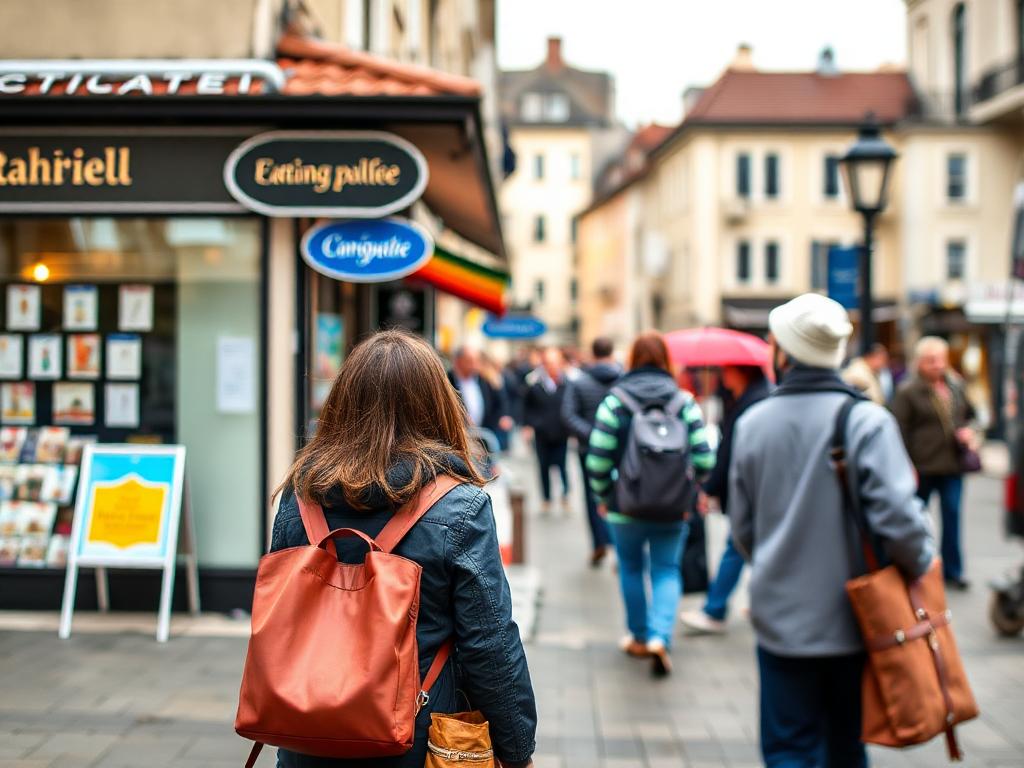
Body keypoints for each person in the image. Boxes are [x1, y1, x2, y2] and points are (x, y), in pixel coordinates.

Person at [270, 330, 537, 768]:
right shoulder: (459, 507)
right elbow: (488, 641)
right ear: (437, 405)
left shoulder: (301, 498)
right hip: (417, 738)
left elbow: (279, 618)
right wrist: (516, 747)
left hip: (307, 734)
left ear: (342, 405)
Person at [729, 294, 934, 768]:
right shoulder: (868, 422)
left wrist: (774, 561)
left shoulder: (752, 424)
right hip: (855, 619)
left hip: (779, 618)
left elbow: (742, 529)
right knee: (846, 744)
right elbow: (902, 522)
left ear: (786, 351)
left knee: (788, 749)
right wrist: (922, 563)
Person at [586, 333, 714, 676]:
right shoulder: (684, 402)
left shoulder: (616, 401)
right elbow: (704, 458)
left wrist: (605, 497)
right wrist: (689, 490)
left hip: (624, 507)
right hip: (673, 507)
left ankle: (639, 636)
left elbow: (597, 460)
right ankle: (660, 636)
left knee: (630, 567)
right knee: (666, 569)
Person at [679, 364, 770, 635]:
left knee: (738, 545)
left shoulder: (753, 402)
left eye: (728, 370)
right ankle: (752, 603)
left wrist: (711, 487)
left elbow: (731, 450)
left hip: (754, 488)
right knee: (750, 546)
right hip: (752, 487)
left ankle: (715, 609)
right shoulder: (741, 398)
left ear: (743, 371)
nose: (723, 375)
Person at [891, 336, 977, 590]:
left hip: (952, 465)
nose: (938, 365)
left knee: (952, 517)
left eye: (941, 359)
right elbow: (899, 430)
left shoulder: (955, 386)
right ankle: (915, 567)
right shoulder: (908, 391)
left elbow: (971, 417)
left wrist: (969, 433)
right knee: (916, 521)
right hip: (922, 467)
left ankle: (953, 570)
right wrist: (905, 465)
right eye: (931, 360)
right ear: (920, 362)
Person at [561, 337, 621, 566]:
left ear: (593, 354)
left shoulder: (580, 383)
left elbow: (568, 416)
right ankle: (617, 544)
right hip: (618, 449)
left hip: (589, 450)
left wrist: (592, 434)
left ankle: (598, 543)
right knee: (619, 495)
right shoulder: (623, 382)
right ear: (611, 352)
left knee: (592, 496)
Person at [523, 347, 571, 514]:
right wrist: (529, 425)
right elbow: (527, 406)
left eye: (555, 362)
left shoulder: (567, 383)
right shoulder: (535, 384)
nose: (552, 366)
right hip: (542, 433)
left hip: (561, 432)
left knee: (562, 466)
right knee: (543, 466)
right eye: (548, 363)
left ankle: (565, 496)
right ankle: (546, 499)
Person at [448, 345, 514, 439]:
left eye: (476, 360)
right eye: (469, 361)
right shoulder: (447, 380)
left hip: (484, 436)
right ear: (458, 361)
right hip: (458, 437)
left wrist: (502, 417)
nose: (474, 365)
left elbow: (500, 402)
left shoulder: (485, 379)